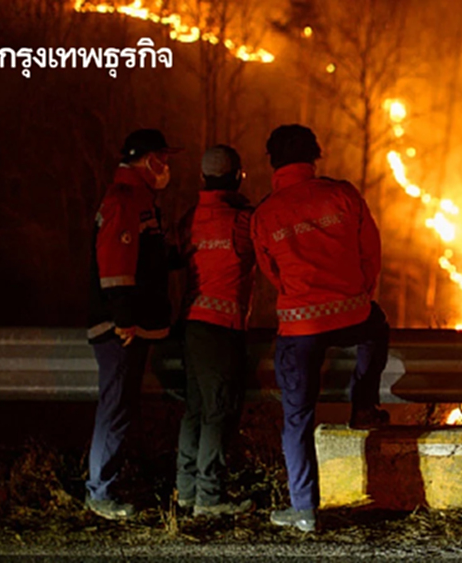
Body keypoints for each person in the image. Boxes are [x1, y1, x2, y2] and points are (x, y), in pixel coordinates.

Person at [251, 124, 390, 532]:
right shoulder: (342, 194)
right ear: (314, 156)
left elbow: (270, 272)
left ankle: (304, 510)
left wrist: (300, 299)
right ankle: (363, 406)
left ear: (273, 162)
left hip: (300, 327)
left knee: (297, 417)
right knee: (376, 328)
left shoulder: (264, 214)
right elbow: (371, 251)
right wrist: (360, 294)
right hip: (352, 314)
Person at [85, 128, 181, 520]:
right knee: (115, 409)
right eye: (163, 157)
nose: (167, 166)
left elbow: (146, 258)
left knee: (121, 408)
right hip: (120, 329)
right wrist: (123, 320)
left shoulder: (138, 199)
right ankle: (100, 493)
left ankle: (105, 488)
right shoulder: (125, 199)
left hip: (130, 326)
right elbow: (116, 264)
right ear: (149, 159)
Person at [174, 145, 256, 517]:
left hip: (191, 325)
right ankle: (210, 497)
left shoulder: (189, 219)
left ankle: (187, 490)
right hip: (223, 329)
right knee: (219, 411)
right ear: (238, 176)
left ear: (203, 178)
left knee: (195, 408)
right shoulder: (242, 222)